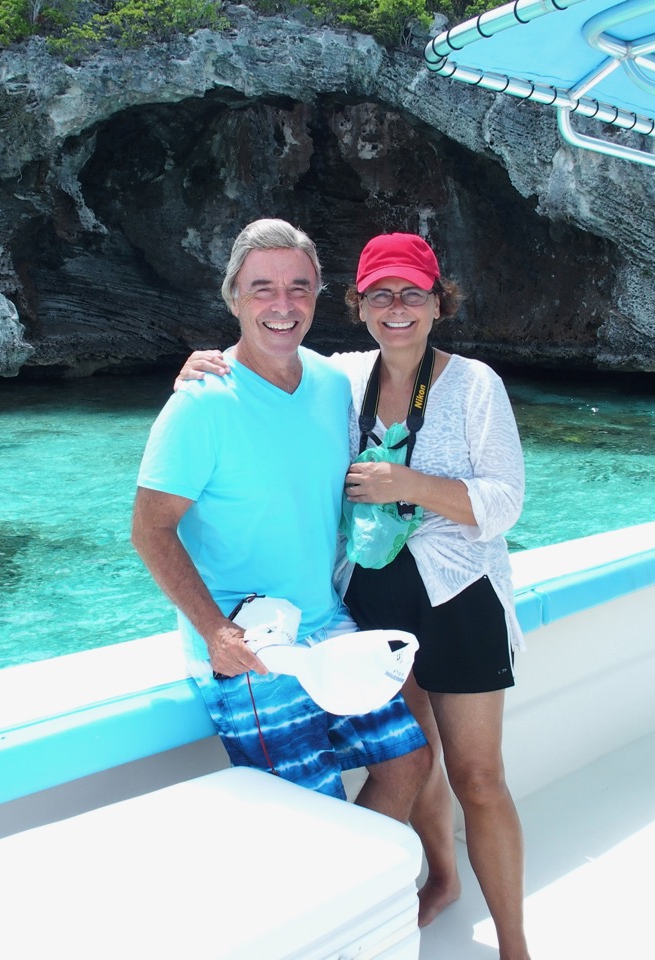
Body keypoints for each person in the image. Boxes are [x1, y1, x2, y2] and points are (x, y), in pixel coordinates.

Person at [178, 233, 530, 959]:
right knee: (416, 752)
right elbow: (270, 351)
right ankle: (440, 880)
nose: (396, 309)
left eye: (412, 293)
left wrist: (409, 487)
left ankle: (516, 944)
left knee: (479, 776)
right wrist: (199, 365)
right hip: (371, 601)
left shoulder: (473, 384)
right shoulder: (343, 378)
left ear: (439, 302)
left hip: (459, 600)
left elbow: (504, 504)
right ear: (359, 305)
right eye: (380, 295)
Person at [131, 218, 432, 821]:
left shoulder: (331, 381)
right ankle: (350, 890)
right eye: (262, 287)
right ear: (234, 297)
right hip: (252, 647)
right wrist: (216, 631)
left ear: (319, 296)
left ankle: (361, 883)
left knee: (409, 764)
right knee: (308, 809)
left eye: (299, 287)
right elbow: (149, 528)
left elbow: (404, 354)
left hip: (329, 625)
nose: (282, 304)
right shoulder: (199, 403)